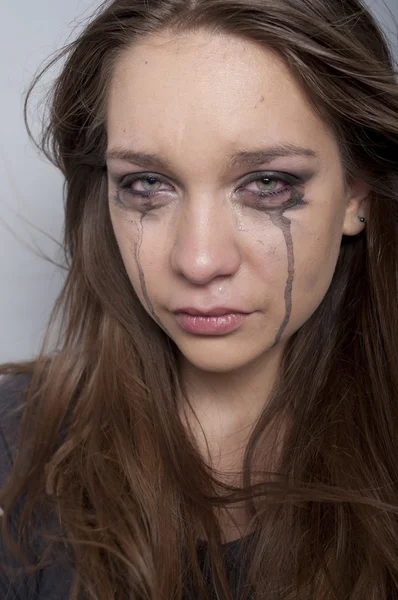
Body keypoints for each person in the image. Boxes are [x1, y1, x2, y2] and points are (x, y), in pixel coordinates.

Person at [1, 0, 398, 598]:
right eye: (147, 185)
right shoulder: (12, 447)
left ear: (356, 193)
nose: (200, 260)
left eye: (267, 183)